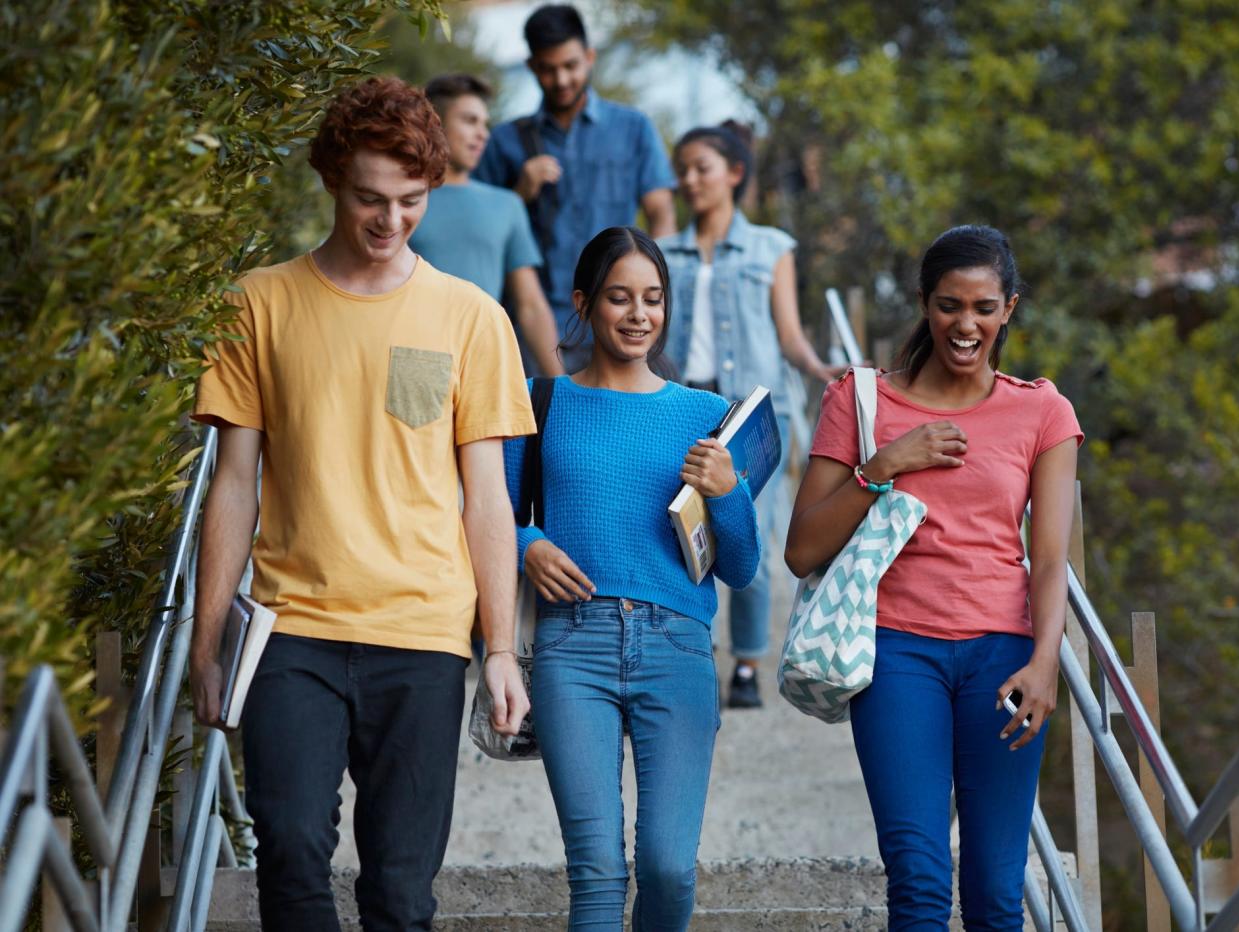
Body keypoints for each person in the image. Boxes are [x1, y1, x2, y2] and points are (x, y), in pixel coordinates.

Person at [187, 76, 535, 932]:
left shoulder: (471, 318)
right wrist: (204, 640)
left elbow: (486, 497)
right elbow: (235, 479)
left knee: (400, 893)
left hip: (421, 633)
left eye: (411, 202)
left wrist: (500, 646)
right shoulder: (257, 304)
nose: (389, 222)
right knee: (293, 852)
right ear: (332, 182)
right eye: (369, 200)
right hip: (291, 628)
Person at [785, 225, 1082, 930]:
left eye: (984, 308)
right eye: (950, 305)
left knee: (994, 889)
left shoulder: (1043, 411)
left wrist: (1045, 664)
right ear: (924, 303)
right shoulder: (860, 402)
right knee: (918, 877)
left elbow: (1049, 559)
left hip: (1004, 659)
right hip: (895, 654)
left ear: (1009, 309)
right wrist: (884, 464)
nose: (966, 324)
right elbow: (800, 549)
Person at [504, 226, 760, 929]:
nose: (639, 314)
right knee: (595, 875)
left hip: (676, 649)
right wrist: (527, 543)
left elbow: (741, 567)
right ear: (585, 304)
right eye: (620, 298)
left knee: (669, 870)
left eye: (653, 298)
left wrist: (730, 489)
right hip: (571, 648)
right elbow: (488, 512)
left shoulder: (706, 417)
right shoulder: (540, 403)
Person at [659, 123, 844, 708]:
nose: (690, 180)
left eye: (702, 168)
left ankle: (745, 663)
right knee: (683, 531)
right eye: (683, 169)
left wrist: (818, 368)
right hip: (684, 406)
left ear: (734, 173)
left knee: (753, 535)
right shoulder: (665, 252)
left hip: (752, 415)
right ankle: (693, 653)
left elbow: (788, 334)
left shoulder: (772, 248)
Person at [474, 4, 677, 371]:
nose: (562, 79)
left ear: (589, 57)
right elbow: (481, 236)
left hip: (617, 322)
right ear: (532, 67)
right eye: (549, 70)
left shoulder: (633, 128)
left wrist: (648, 295)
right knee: (544, 426)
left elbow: (662, 214)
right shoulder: (505, 142)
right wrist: (519, 192)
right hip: (535, 331)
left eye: (571, 66)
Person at [410, 73, 563, 376]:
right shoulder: (402, 200)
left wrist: (563, 386)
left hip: (484, 369)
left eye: (484, 124)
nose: (483, 134)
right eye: (469, 121)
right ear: (435, 123)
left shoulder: (507, 205)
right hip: (413, 365)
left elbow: (531, 304)